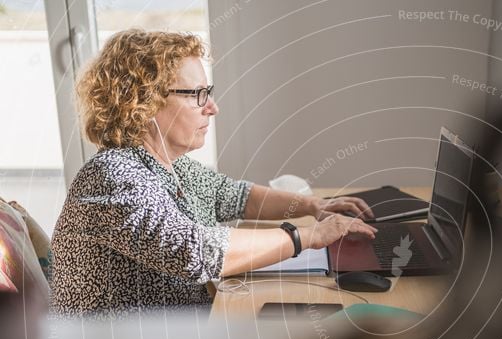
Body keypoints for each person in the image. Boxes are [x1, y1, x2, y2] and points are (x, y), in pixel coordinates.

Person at [50, 29, 376, 317]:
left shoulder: (168, 164)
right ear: (143, 103)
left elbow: (231, 196)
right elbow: (193, 251)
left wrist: (311, 207)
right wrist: (309, 236)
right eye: (198, 95)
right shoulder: (113, 176)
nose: (212, 107)